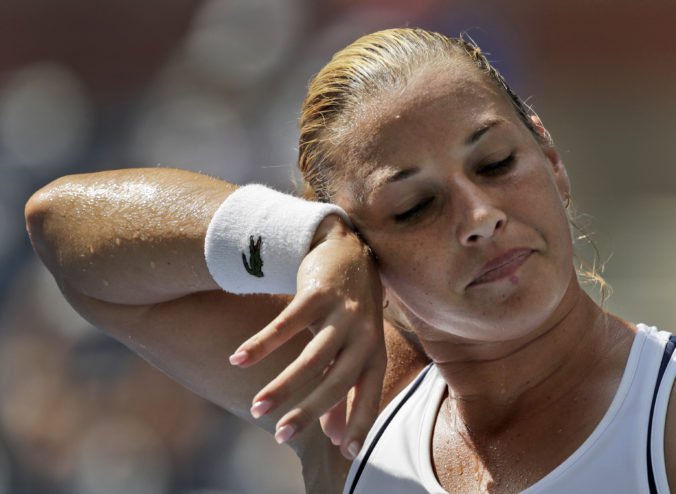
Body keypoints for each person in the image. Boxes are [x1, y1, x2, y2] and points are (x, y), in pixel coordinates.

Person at [24, 27, 676, 493]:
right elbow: (61, 225)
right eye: (414, 206)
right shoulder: (356, 401)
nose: (481, 219)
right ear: (365, 249)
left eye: (497, 163)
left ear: (552, 160)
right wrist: (306, 241)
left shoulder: (663, 407)